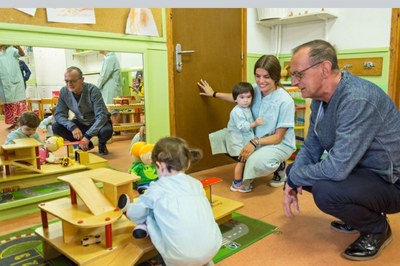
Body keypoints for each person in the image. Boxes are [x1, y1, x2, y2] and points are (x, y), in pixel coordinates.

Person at [282, 39, 400, 261]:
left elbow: (337, 169)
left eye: (299, 74)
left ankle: (376, 229)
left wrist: (294, 178)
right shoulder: (319, 100)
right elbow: (310, 148)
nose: (295, 81)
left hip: (392, 182)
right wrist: (292, 178)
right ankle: (357, 215)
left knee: (326, 191)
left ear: (324, 69)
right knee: (296, 172)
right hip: (363, 173)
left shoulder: (357, 98)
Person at [118, 136, 222, 266]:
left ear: (159, 165)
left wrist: (128, 209)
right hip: (213, 247)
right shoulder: (196, 184)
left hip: (179, 258)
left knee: (151, 214)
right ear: (188, 163)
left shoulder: (157, 189)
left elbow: (136, 213)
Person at [198, 55, 296, 190]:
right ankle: (249, 163)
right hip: (254, 137)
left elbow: (278, 138)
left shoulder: (285, 101)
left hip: (277, 144)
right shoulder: (255, 89)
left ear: (276, 77)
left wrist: (254, 143)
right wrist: (213, 93)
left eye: (266, 77)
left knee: (257, 163)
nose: (261, 81)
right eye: (257, 76)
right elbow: (237, 97)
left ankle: (280, 166)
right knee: (221, 138)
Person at [52, 66, 113, 155]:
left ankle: (102, 144)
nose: (69, 84)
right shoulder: (64, 91)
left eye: (73, 81)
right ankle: (83, 143)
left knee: (106, 131)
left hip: (97, 121)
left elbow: (101, 116)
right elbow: (59, 115)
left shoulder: (93, 90)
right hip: (80, 121)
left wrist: (87, 136)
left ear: (82, 80)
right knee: (56, 127)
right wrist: (72, 127)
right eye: (66, 81)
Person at [226, 82, 264, 192]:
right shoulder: (237, 111)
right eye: (242, 97)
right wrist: (255, 124)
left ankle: (244, 178)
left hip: (244, 140)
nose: (246, 100)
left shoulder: (245, 108)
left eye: (248, 97)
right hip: (238, 142)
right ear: (235, 99)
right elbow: (243, 127)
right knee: (241, 161)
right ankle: (237, 183)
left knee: (245, 160)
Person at [0, 45, 28, 131]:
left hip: (15, 82)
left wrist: (18, 47)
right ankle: (14, 124)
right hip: (4, 83)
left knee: (18, 104)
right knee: (9, 105)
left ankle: (19, 124)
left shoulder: (11, 50)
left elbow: (22, 54)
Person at [97, 51, 122, 128]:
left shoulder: (110, 59)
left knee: (111, 108)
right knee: (114, 108)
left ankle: (114, 129)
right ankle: (114, 129)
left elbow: (104, 76)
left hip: (110, 87)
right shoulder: (111, 58)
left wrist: (96, 87)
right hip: (112, 87)